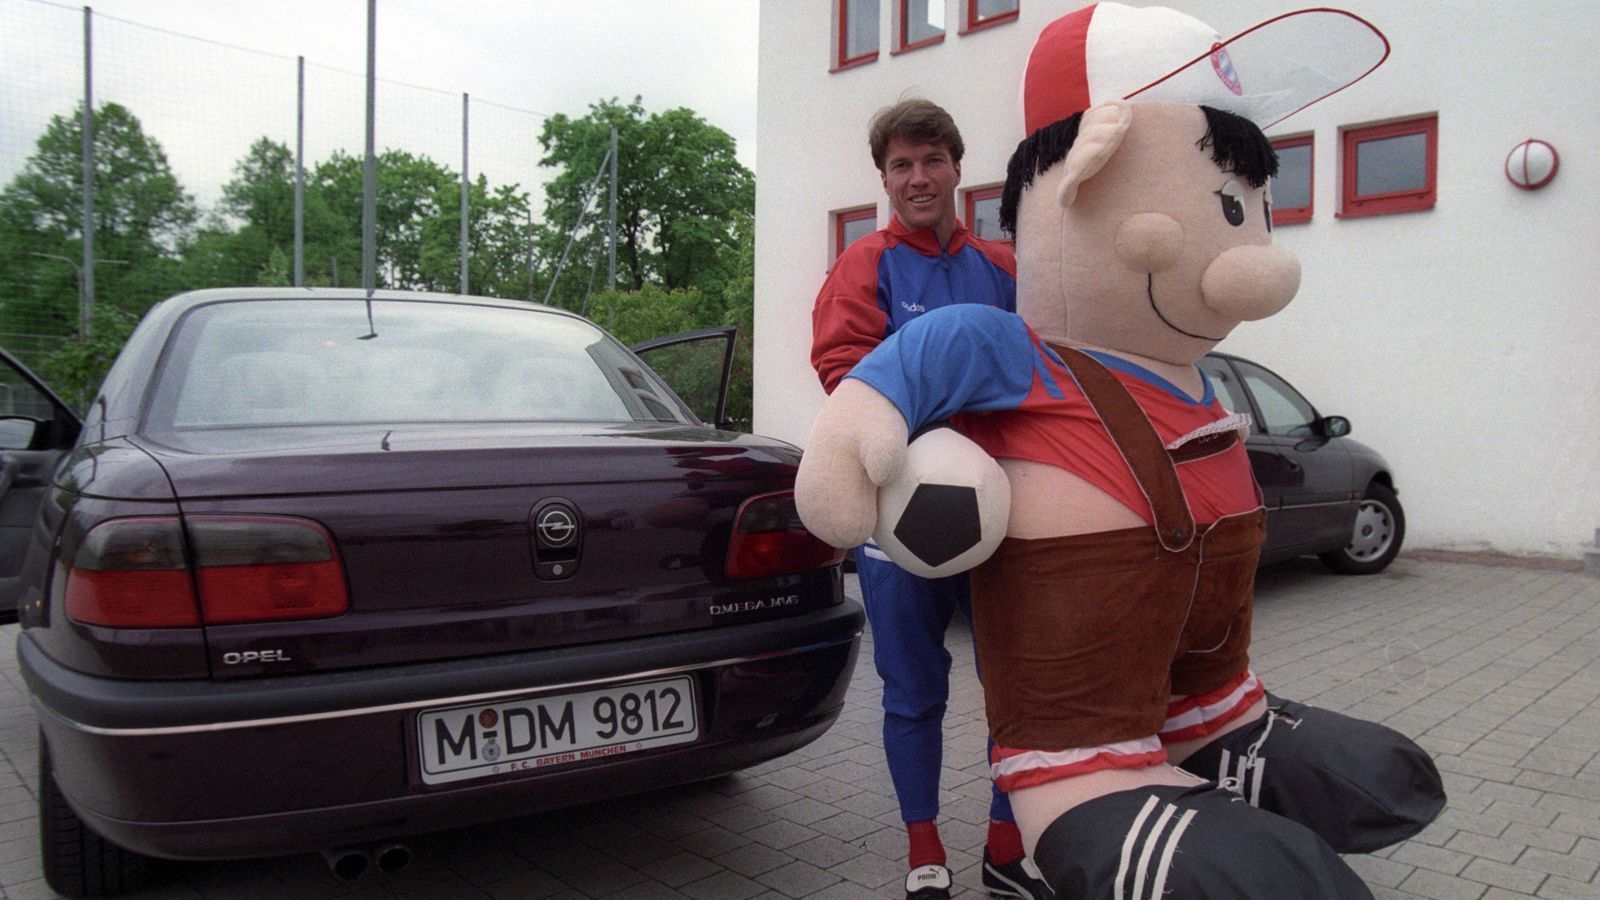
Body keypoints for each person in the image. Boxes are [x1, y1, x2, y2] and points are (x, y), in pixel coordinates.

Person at [809, 99, 1051, 900]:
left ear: (956, 167)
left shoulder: (1004, 268)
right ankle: (923, 844)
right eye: (901, 166)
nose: (918, 178)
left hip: (1000, 515)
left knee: (1017, 687)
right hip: (899, 524)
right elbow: (846, 375)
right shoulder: (863, 264)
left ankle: (1006, 845)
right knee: (913, 691)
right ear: (883, 178)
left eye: (931, 161)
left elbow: (1044, 375)